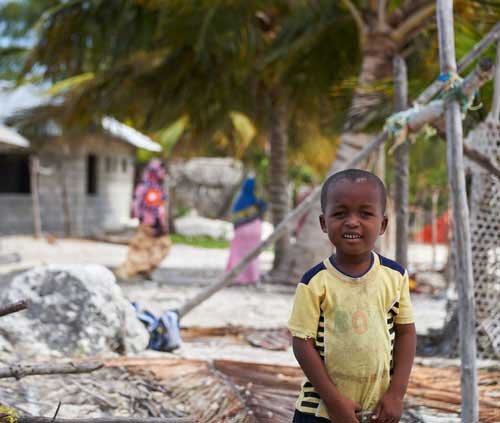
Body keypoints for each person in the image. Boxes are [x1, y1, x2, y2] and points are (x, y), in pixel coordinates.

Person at [288, 169, 416, 423]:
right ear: (324, 223)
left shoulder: (395, 276)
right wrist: (335, 403)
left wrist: (395, 395)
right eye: (340, 213)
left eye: (365, 213)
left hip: (377, 410)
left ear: (383, 224)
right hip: (321, 410)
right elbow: (302, 343)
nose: (352, 222)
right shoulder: (315, 282)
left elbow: (405, 333)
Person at [115, 159, 171, 280]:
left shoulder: (147, 187)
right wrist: (160, 225)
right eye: (161, 170)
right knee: (145, 249)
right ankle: (126, 273)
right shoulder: (151, 189)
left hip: (148, 224)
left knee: (151, 248)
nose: (163, 173)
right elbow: (154, 210)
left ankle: (144, 271)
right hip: (151, 225)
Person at [225, 174, 267, 284]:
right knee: (253, 255)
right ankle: (252, 277)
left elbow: (235, 217)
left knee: (237, 254)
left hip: (241, 230)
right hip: (255, 229)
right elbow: (262, 212)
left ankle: (236, 277)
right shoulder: (258, 200)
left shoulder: (240, 199)